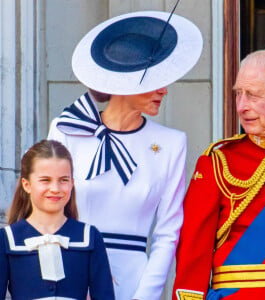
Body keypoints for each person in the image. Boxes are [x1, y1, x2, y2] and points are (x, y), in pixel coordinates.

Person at [47, 8, 203, 300]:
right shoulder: (67, 130)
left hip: (134, 283)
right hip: (68, 277)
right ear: (124, 82)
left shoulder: (171, 143)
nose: (164, 91)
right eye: (154, 80)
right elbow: (46, 212)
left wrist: (145, 296)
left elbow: (168, 233)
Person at [172, 49, 265, 300]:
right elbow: (193, 254)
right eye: (238, 94)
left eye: (252, 95)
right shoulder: (219, 161)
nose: (241, 106)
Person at [0, 139, 115, 299]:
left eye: (64, 180)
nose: (55, 189)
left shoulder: (90, 237)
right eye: (45, 180)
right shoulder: (7, 239)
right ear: (27, 185)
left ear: (72, 184)